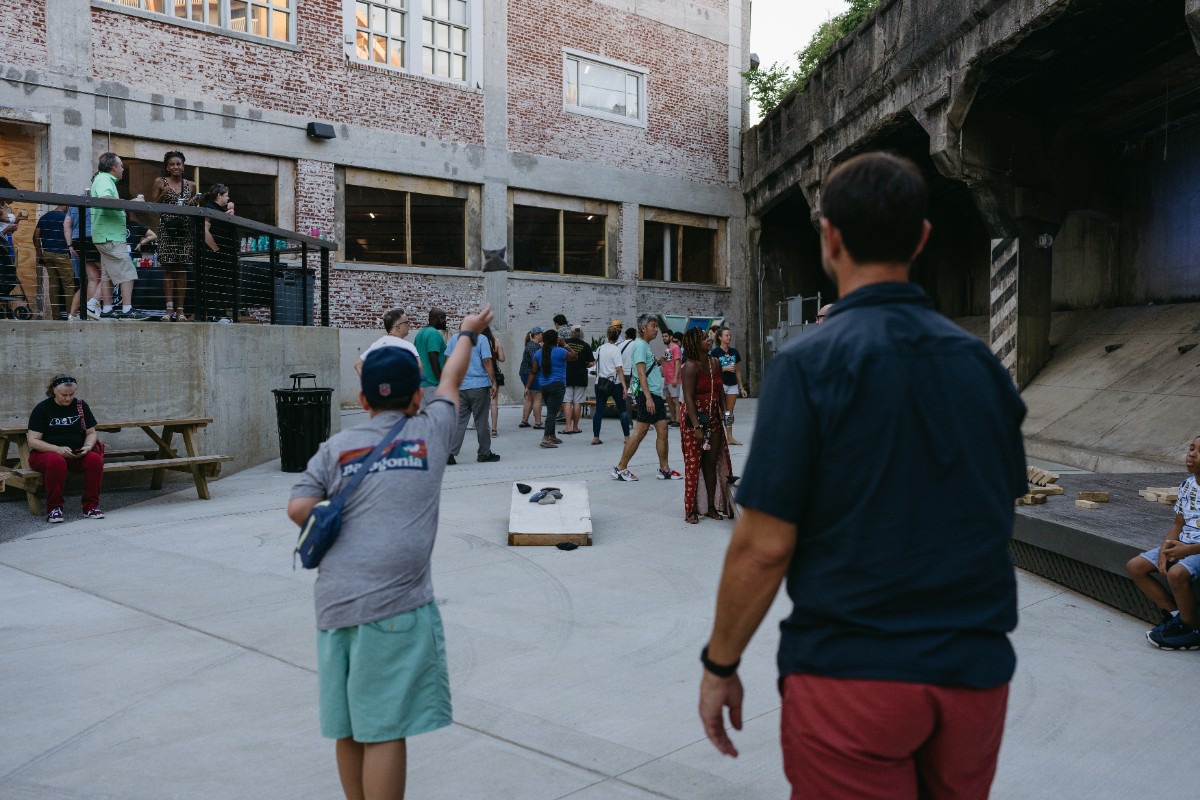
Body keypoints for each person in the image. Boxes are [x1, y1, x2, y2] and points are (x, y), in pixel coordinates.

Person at [698, 152, 1026, 799]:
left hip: (853, 677)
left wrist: (720, 663)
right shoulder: (981, 366)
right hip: (974, 678)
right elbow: (998, 505)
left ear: (831, 237)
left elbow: (764, 547)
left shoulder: (808, 365)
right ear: (922, 239)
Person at [287, 303, 494, 800]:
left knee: (349, 725)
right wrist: (467, 332)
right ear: (416, 395)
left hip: (335, 605)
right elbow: (452, 381)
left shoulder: (335, 448)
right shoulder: (432, 430)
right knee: (384, 728)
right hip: (397, 608)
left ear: (361, 400)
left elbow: (298, 507)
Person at [1127, 435, 1200, 650]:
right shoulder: (1187, 485)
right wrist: (1164, 548)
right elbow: (1178, 524)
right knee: (1135, 566)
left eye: (1199, 451)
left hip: (1194, 549)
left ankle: (1191, 630)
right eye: (1191, 448)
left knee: (1177, 574)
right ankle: (1176, 617)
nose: (1192, 454)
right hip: (1182, 545)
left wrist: (1186, 550)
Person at [27, 374, 107, 523]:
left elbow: (91, 432)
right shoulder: (42, 409)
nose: (68, 398)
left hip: (75, 453)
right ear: (54, 391)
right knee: (57, 461)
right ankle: (55, 508)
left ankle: (91, 506)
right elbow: (33, 441)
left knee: (95, 460)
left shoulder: (80, 406)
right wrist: (57, 449)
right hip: (46, 454)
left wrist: (88, 447)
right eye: (64, 395)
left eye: (71, 394)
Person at [612, 313, 681, 481]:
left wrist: (660, 361)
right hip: (647, 395)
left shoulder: (645, 345)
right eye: (653, 326)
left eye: (657, 326)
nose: (656, 330)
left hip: (653, 394)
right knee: (640, 432)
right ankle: (620, 468)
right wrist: (649, 398)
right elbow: (641, 374)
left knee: (663, 430)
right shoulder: (640, 346)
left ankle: (664, 469)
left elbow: (647, 369)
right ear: (643, 328)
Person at [679, 328, 734, 524]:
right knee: (693, 466)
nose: (709, 340)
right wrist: (696, 426)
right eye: (704, 338)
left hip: (713, 419)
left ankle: (710, 507)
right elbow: (688, 397)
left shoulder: (715, 363)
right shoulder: (690, 367)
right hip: (695, 420)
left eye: (708, 337)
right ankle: (691, 510)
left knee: (711, 465)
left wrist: (726, 412)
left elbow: (720, 391)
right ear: (695, 344)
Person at [90, 153, 148, 320]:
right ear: (114, 167)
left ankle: (105, 309)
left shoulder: (102, 179)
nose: (123, 169)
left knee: (107, 275)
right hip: (110, 235)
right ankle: (127, 309)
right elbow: (105, 199)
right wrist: (132, 203)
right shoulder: (104, 180)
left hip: (105, 234)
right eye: (121, 165)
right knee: (128, 271)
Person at [150, 150, 197, 322]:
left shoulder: (191, 185)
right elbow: (152, 207)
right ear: (167, 168)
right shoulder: (160, 182)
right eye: (172, 164)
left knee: (182, 269)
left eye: (179, 164)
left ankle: (181, 311)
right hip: (166, 229)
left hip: (184, 230)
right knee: (168, 269)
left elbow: (192, 209)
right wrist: (164, 195)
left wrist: (194, 204)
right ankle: (168, 310)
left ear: (183, 166)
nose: (176, 167)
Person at [444, 320, 500, 463]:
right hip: (479, 385)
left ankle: (449, 453)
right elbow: (487, 361)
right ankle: (484, 453)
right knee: (481, 421)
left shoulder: (454, 339)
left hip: (460, 386)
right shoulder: (481, 339)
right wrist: (493, 381)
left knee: (460, 421)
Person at [525, 329, 576, 448]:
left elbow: (533, 371)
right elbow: (575, 356)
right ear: (556, 339)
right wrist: (565, 344)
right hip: (557, 385)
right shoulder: (561, 351)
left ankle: (552, 435)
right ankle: (545, 438)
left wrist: (527, 386)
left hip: (543, 385)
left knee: (551, 410)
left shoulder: (538, 353)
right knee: (552, 413)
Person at [198, 183, 237, 322]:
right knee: (215, 285)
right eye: (226, 195)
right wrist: (215, 249)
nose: (228, 198)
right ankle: (215, 314)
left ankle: (221, 314)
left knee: (223, 285)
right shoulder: (209, 208)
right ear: (219, 195)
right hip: (215, 255)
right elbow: (204, 229)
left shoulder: (222, 210)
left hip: (224, 254)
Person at [33, 204, 74, 321]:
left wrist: (40, 254)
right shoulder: (65, 217)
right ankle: (71, 314)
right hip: (62, 254)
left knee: (54, 285)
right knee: (68, 285)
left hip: (47, 254)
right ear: (66, 206)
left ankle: (55, 315)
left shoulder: (44, 217)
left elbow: (35, 236)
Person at [591, 324, 630, 446]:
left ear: (607, 336)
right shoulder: (616, 350)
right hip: (615, 383)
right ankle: (627, 437)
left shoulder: (600, 348)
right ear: (617, 337)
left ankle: (596, 437)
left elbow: (594, 362)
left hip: (600, 382)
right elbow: (619, 369)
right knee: (622, 410)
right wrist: (624, 386)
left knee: (599, 410)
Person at [355, 308, 420, 376]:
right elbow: (419, 367)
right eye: (406, 322)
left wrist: (369, 384)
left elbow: (358, 365)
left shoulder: (377, 344)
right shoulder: (408, 346)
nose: (409, 325)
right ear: (398, 327)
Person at [710, 328, 747, 445]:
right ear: (720, 337)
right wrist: (724, 368)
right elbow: (711, 370)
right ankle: (717, 436)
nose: (729, 337)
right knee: (718, 412)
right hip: (720, 384)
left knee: (729, 413)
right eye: (726, 335)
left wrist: (741, 388)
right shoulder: (715, 352)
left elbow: (737, 371)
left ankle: (729, 437)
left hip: (732, 385)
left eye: (730, 335)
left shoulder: (734, 352)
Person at [562, 326, 594, 435]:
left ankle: (567, 427)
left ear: (570, 333)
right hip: (580, 376)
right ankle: (575, 427)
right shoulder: (586, 346)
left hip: (566, 375)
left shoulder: (564, 343)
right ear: (581, 334)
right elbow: (591, 363)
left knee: (567, 401)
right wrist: (584, 364)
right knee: (577, 402)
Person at [414, 307, 448, 407]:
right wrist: (441, 381)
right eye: (442, 318)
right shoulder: (434, 334)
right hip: (433, 384)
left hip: (421, 384)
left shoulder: (420, 333)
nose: (445, 321)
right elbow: (433, 357)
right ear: (433, 319)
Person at [518, 327, 544, 429]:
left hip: (524, 373)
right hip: (532, 374)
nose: (543, 336)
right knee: (537, 398)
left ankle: (524, 421)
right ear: (536, 334)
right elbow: (536, 361)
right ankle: (538, 423)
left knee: (529, 398)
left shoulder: (530, 344)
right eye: (542, 334)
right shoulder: (534, 346)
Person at [483, 326, 505, 436]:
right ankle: (494, 429)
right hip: (494, 372)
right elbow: (502, 358)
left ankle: (482, 428)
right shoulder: (495, 341)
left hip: (481, 373)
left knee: (482, 403)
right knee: (494, 403)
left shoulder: (478, 341)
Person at [660, 328, 682, 426]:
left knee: (675, 400)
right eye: (663, 337)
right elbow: (663, 363)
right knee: (668, 400)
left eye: (666, 336)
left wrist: (675, 378)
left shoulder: (675, 348)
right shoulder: (666, 349)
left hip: (674, 378)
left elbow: (677, 363)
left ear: (671, 337)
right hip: (666, 378)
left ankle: (678, 420)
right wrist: (661, 360)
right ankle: (673, 419)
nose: (664, 338)